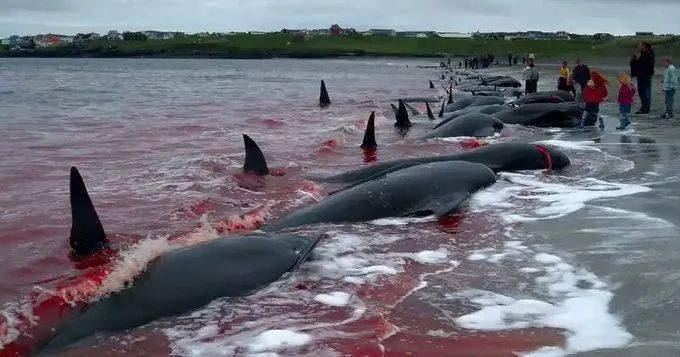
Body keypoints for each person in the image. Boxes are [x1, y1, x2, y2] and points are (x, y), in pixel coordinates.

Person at [630, 41, 655, 114]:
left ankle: (645, 108)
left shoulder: (647, 54)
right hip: (643, 75)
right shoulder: (647, 53)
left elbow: (643, 65)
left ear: (644, 46)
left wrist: (634, 60)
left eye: (640, 46)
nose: (639, 47)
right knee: (644, 92)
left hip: (644, 75)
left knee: (644, 92)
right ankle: (645, 107)